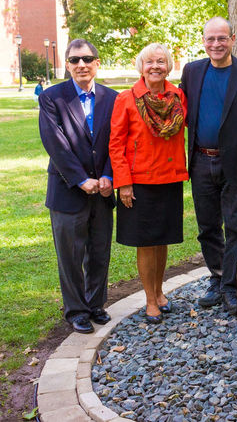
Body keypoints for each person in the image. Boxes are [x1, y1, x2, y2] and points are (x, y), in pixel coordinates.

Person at [181, 17, 237, 316]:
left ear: (232, 39)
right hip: (201, 161)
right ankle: (217, 277)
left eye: (222, 38)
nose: (216, 44)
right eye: (210, 39)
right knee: (207, 227)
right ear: (203, 41)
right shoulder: (191, 72)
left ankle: (232, 285)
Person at [38, 39, 117, 334]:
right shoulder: (51, 98)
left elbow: (116, 141)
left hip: (103, 191)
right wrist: (81, 180)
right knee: (70, 255)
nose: (81, 65)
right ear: (67, 65)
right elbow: (54, 143)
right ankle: (76, 310)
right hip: (67, 191)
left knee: (99, 251)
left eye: (87, 59)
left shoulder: (113, 98)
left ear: (97, 62)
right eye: (74, 60)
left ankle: (96, 304)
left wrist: (110, 175)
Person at [109, 43, 189, 324]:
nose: (155, 66)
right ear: (141, 66)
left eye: (161, 61)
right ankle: (149, 300)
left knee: (162, 238)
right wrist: (124, 184)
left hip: (170, 178)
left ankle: (159, 291)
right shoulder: (127, 99)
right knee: (145, 242)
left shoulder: (178, 96)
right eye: (149, 62)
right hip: (138, 183)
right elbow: (116, 145)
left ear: (168, 65)